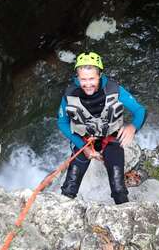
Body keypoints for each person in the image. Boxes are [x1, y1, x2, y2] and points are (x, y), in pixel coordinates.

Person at [57, 51, 146, 204]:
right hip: (84, 141)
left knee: (119, 190)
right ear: (77, 77)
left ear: (100, 75)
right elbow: (62, 122)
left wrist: (132, 127)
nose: (88, 84)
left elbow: (140, 110)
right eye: (83, 79)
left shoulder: (114, 89)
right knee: (69, 189)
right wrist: (83, 147)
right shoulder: (70, 94)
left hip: (111, 139)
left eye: (92, 78)